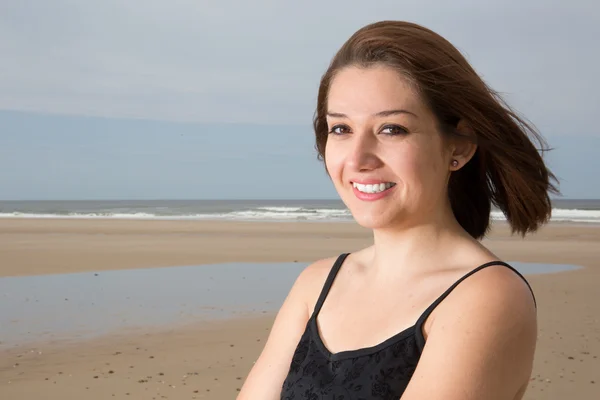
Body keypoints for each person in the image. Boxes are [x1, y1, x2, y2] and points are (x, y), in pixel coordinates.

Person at [237, 20, 558, 400]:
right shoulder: (317, 283)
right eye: (340, 129)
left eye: (392, 129)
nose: (358, 159)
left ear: (459, 146)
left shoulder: (486, 296)